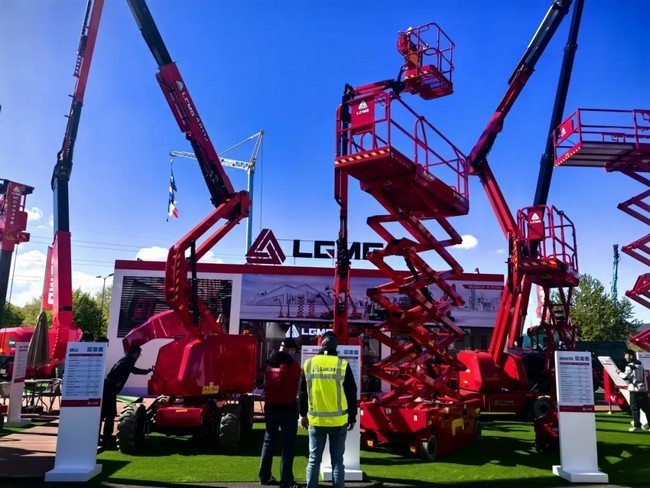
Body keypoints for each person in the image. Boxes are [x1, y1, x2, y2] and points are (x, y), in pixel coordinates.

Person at [299, 331, 357, 488]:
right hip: (338, 421)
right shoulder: (342, 364)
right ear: (336, 345)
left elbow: (302, 393)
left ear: (321, 343)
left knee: (314, 459)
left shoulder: (309, 364)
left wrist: (303, 415)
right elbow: (351, 393)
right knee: (337, 460)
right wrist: (352, 417)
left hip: (316, 421)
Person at [258, 338, 302, 488]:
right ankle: (287, 480)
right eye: (294, 350)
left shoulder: (270, 362)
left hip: (271, 407)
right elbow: (299, 379)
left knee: (268, 441)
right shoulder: (291, 364)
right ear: (290, 350)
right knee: (288, 444)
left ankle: (264, 476)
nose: (294, 353)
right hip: (288, 408)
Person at [100, 344, 153, 448]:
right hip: (109, 390)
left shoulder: (126, 360)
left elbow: (133, 370)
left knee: (105, 414)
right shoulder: (127, 361)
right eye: (139, 354)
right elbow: (121, 371)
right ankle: (106, 439)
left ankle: (102, 438)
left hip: (108, 389)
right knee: (110, 414)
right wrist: (116, 382)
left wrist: (146, 371)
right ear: (136, 353)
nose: (139, 356)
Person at [618, 349, 650, 432]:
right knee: (647, 409)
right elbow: (646, 374)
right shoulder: (641, 364)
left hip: (634, 391)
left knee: (635, 409)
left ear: (630, 356)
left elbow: (625, 377)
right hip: (644, 390)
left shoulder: (629, 366)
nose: (625, 357)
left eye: (626, 355)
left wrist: (619, 372)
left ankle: (637, 427)